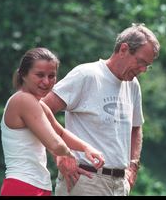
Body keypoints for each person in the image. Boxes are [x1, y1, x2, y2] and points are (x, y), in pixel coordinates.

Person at [42, 23, 160, 196]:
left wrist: (133, 167)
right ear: (123, 49)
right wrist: (59, 154)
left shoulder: (133, 85)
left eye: (147, 65)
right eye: (140, 62)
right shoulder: (87, 75)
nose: (142, 70)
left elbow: (136, 128)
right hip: (85, 180)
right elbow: (41, 111)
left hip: (119, 185)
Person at [0, 47, 105, 196]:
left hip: (39, 185)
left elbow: (60, 133)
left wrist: (86, 148)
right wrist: (69, 156)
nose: (46, 81)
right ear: (23, 74)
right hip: (22, 185)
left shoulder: (38, 104)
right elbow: (55, 143)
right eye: (40, 75)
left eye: (52, 76)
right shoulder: (23, 99)